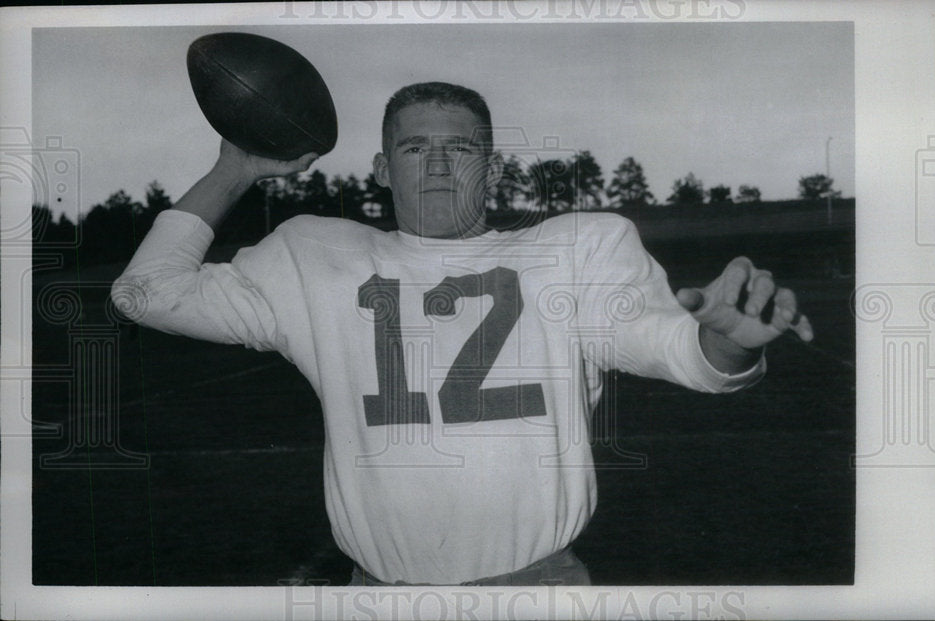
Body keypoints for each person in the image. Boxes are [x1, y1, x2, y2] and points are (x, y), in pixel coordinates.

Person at [112, 81, 813, 586]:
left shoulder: (574, 250)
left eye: (461, 149)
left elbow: (676, 349)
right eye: (416, 149)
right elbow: (147, 292)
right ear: (383, 170)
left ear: (495, 168)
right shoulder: (313, 258)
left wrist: (731, 340)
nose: (441, 165)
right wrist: (235, 168)